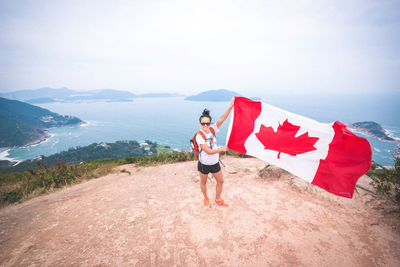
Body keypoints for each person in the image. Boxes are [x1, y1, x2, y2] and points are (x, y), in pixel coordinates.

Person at [196, 98, 234, 206]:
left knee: (220, 181)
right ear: (200, 124)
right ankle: (206, 198)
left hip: (215, 163)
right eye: (203, 124)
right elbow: (207, 151)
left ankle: (217, 199)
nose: (205, 126)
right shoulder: (199, 136)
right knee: (203, 182)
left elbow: (222, 118)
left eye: (207, 123)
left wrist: (231, 106)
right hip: (204, 164)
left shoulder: (212, 129)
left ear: (210, 123)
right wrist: (221, 149)